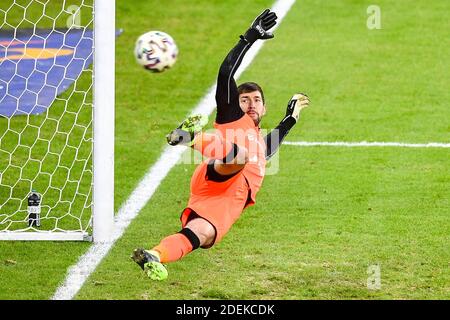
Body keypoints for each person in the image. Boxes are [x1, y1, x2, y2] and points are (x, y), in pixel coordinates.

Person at [131, 8, 310, 280]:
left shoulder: (257, 141)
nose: (250, 104)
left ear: (264, 107)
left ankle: (154, 255)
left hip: (228, 199)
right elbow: (225, 73)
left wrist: (290, 120)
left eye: (256, 100)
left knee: (201, 234)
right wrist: (249, 37)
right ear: (234, 105)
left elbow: (268, 148)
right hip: (219, 173)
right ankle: (189, 137)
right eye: (244, 99)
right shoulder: (232, 117)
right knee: (240, 158)